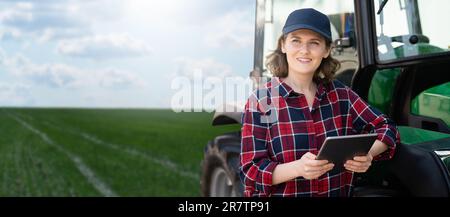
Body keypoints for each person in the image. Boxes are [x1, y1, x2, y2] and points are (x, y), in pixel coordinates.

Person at [239, 8, 400, 197]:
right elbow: (251, 172)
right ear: (283, 45)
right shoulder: (261, 101)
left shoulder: (341, 96)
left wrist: (368, 155)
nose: (304, 50)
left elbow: (387, 128)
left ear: (326, 50)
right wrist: (297, 168)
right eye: (295, 41)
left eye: (314, 43)